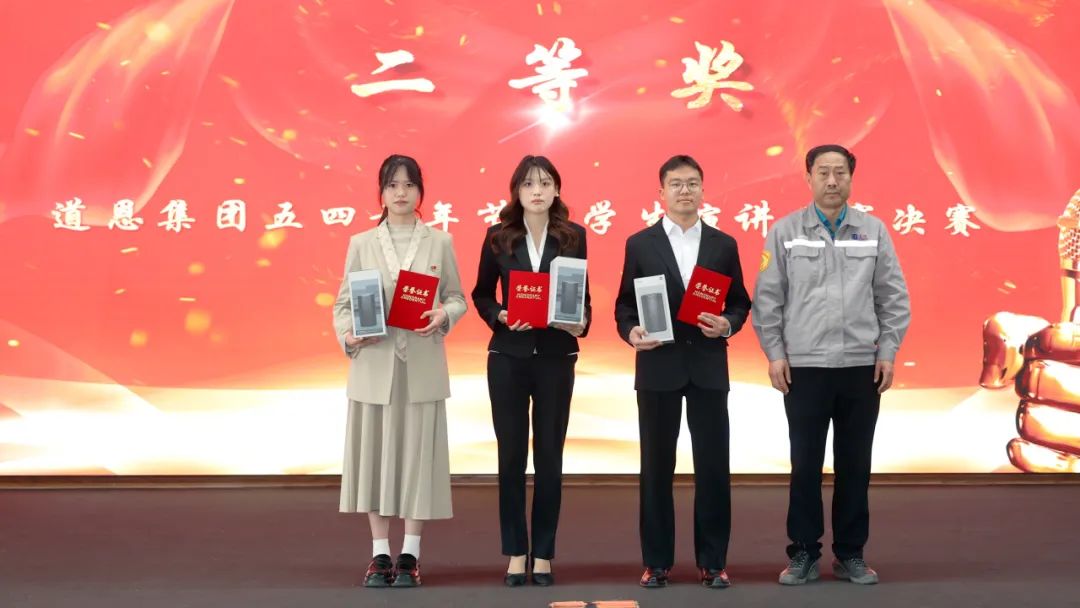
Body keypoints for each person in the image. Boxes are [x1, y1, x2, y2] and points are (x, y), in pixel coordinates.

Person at [751, 144, 911, 586]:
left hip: (861, 366)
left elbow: (893, 296)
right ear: (808, 178)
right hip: (804, 368)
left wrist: (888, 350)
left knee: (854, 465)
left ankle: (850, 553)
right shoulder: (786, 231)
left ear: (851, 178)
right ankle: (803, 552)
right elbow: (768, 299)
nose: (832, 181)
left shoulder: (873, 230)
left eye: (840, 172)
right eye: (823, 172)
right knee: (805, 465)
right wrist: (775, 353)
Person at [613, 154, 751, 589]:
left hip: (708, 366)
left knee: (714, 468)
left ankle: (713, 562)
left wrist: (727, 323)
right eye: (676, 184)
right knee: (655, 469)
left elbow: (740, 301)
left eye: (692, 183)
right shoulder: (640, 243)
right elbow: (624, 305)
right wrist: (631, 331)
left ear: (703, 190)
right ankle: (657, 563)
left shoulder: (723, 244)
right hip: (658, 366)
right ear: (661, 192)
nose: (685, 190)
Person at [332, 154, 467, 588]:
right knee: (374, 458)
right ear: (381, 193)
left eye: (409, 185)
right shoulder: (361, 243)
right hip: (374, 366)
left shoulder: (440, 241)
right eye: (393, 185)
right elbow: (343, 305)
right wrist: (349, 335)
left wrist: (443, 315)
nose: (401, 193)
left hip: (422, 365)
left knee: (417, 460)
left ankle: (410, 553)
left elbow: (457, 297)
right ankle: (379, 554)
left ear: (421, 191)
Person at [471, 155, 590, 587]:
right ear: (516, 191)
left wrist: (580, 322)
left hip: (556, 356)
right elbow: (482, 294)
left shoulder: (573, 236)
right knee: (511, 457)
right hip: (508, 357)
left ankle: (543, 554)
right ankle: (515, 552)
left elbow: (582, 297)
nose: (537, 191)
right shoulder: (498, 236)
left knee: (550, 457)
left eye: (544, 183)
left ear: (557, 189)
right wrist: (500, 316)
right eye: (528, 184)